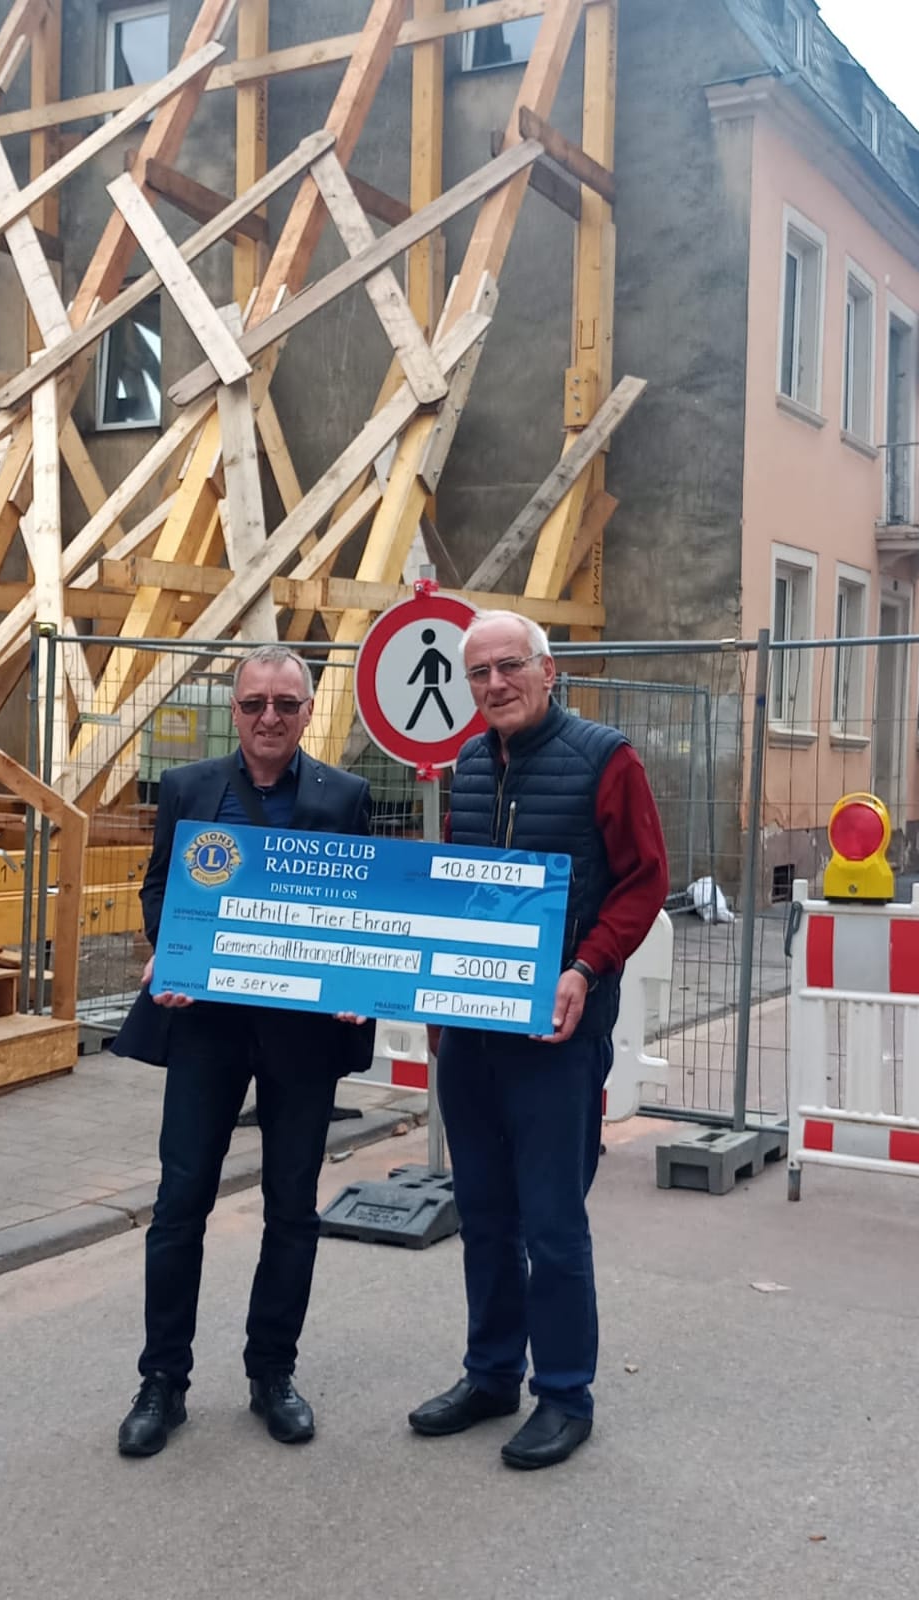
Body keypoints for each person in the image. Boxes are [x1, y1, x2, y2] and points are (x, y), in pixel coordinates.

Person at [407, 610, 668, 1470]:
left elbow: (643, 881)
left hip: (558, 1038)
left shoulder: (606, 758)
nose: (493, 686)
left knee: (552, 1225)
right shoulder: (470, 765)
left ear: (548, 670)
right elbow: (452, 895)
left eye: (509, 667)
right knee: (484, 1216)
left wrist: (587, 967)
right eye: (477, 674)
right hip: (474, 1040)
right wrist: (434, 1003)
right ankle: (490, 1376)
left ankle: (565, 1393)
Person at [112, 645, 373, 1457]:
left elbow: (364, 903)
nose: (270, 717)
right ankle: (163, 1383)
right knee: (180, 1202)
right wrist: (170, 947)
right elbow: (162, 885)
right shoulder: (191, 789)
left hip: (301, 1038)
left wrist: (358, 979)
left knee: (292, 1208)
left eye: (285, 705)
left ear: (306, 711)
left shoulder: (345, 796)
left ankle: (272, 1374)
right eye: (256, 702)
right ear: (236, 709)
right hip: (209, 1028)